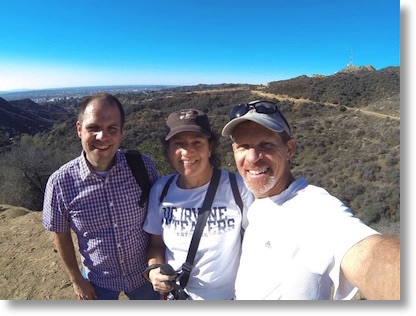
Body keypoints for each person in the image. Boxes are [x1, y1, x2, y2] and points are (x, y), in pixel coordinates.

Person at [221, 100, 400, 300]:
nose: (253, 158)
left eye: (266, 145)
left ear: (289, 149)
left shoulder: (314, 208)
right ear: (234, 151)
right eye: (243, 147)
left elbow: (368, 254)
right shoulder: (257, 202)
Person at [42, 93, 160, 300]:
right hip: (99, 281)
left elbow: (158, 219)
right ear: (79, 129)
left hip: (145, 276)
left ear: (121, 132)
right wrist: (77, 279)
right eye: (93, 128)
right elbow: (60, 235)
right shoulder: (60, 183)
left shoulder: (143, 166)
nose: (102, 137)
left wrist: (157, 264)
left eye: (111, 129)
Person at [142, 108, 254, 300]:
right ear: (168, 150)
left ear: (210, 147)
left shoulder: (238, 188)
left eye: (197, 142)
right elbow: (156, 245)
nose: (187, 152)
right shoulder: (161, 190)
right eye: (178, 144)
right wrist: (154, 270)